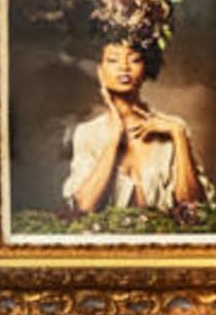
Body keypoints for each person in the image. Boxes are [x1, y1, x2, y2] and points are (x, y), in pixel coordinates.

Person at [63, 35, 207, 219]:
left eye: (134, 59)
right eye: (113, 60)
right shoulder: (87, 133)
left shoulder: (172, 128)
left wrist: (179, 135)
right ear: (100, 71)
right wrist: (114, 139)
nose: (124, 67)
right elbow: (82, 208)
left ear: (146, 68)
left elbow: (193, 210)